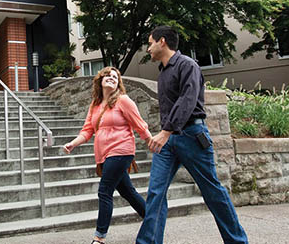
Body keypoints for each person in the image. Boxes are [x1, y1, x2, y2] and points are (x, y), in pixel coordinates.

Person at [135, 26, 248, 244]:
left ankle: (237, 241)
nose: (148, 48)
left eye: (150, 43)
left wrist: (166, 132)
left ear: (163, 42)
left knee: (212, 191)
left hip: (192, 135)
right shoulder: (163, 72)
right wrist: (166, 132)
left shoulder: (187, 65)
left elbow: (187, 100)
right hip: (169, 140)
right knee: (156, 193)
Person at [63, 66, 152, 244]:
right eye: (107, 76)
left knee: (104, 191)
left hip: (121, 150)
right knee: (128, 192)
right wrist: (73, 143)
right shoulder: (95, 105)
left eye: (115, 77)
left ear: (119, 83)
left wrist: (152, 142)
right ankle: (154, 220)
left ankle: (99, 238)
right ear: (100, 81)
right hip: (104, 155)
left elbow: (140, 125)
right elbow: (87, 130)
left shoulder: (123, 100)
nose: (111, 78)